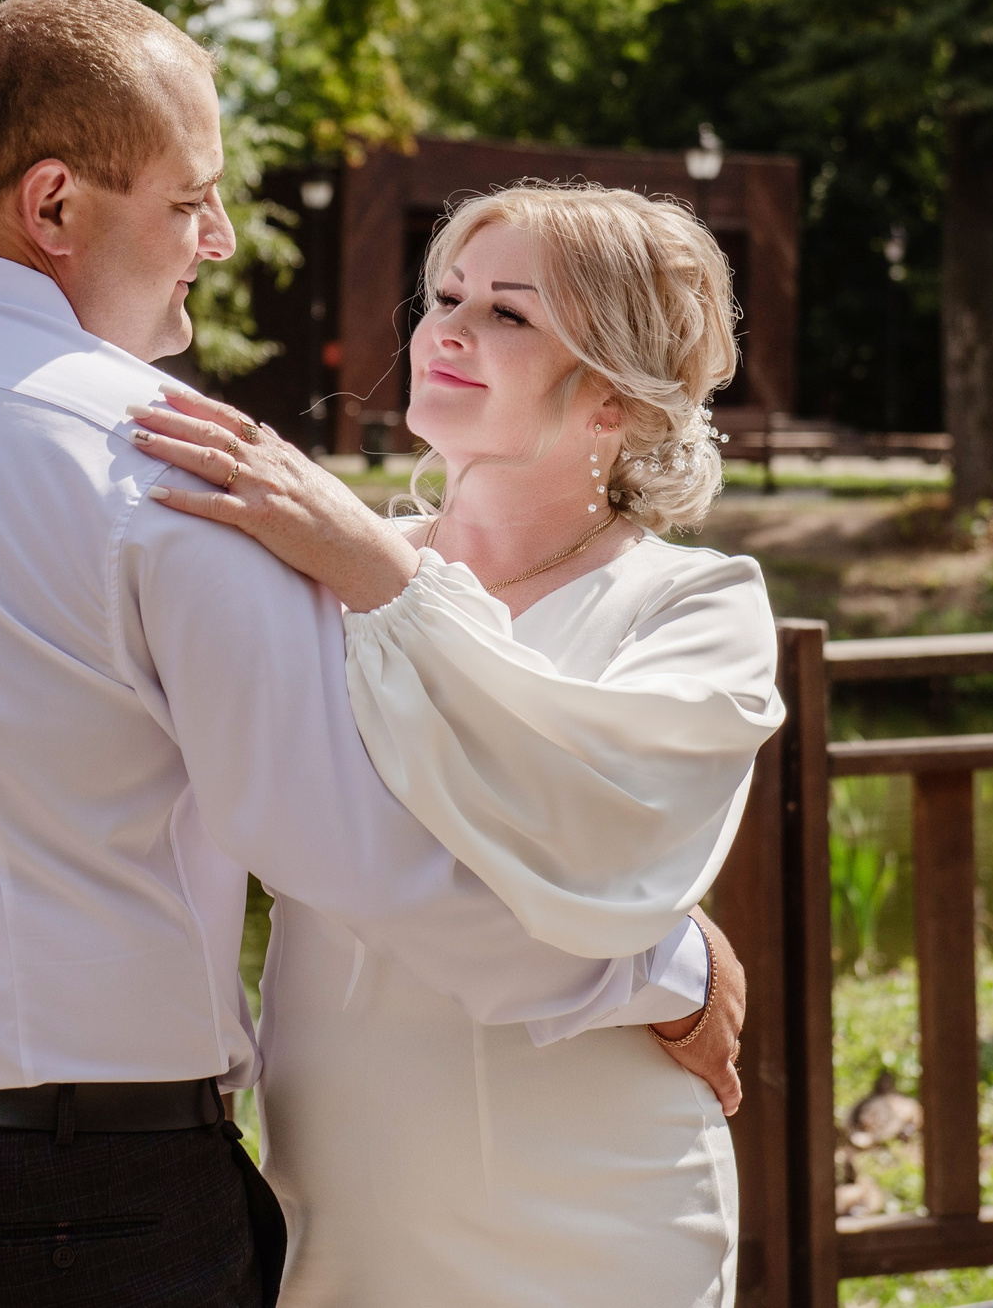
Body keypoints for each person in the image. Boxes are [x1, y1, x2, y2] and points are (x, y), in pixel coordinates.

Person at [0, 0, 744, 1308]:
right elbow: (352, 849)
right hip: (71, 1204)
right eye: (189, 199)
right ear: (54, 209)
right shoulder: (165, 461)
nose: (215, 238)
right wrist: (661, 974)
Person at [125, 182, 782, 1307]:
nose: (448, 328)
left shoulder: (697, 606)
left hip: (599, 1213)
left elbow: (598, 825)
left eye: (510, 313)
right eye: (445, 295)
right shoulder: (310, 567)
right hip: (337, 1202)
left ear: (615, 397)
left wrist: (382, 575)